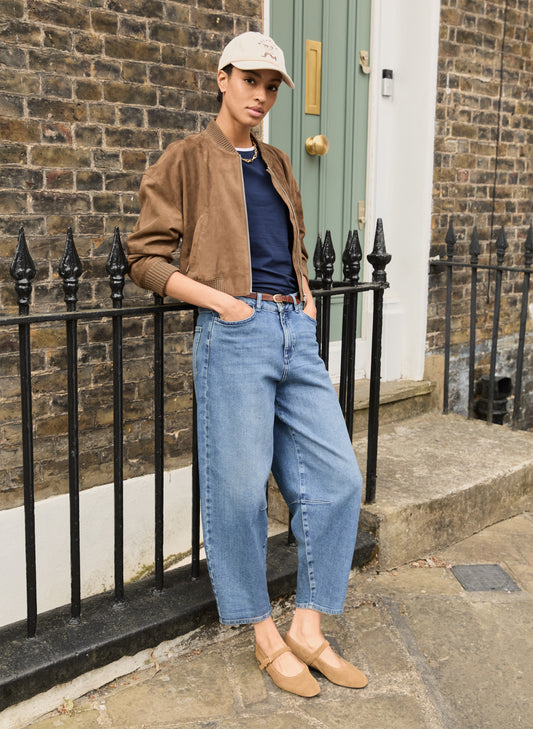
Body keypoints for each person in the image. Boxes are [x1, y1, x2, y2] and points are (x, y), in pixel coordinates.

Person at [127, 31, 367, 698]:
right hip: (235, 332)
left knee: (339, 479)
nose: (260, 95)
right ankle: (263, 633)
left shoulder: (279, 162)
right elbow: (144, 258)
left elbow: (290, 244)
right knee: (237, 493)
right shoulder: (185, 159)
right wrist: (221, 303)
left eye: (270, 86)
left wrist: (306, 298)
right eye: (250, 80)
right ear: (222, 78)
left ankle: (307, 627)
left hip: (294, 330)